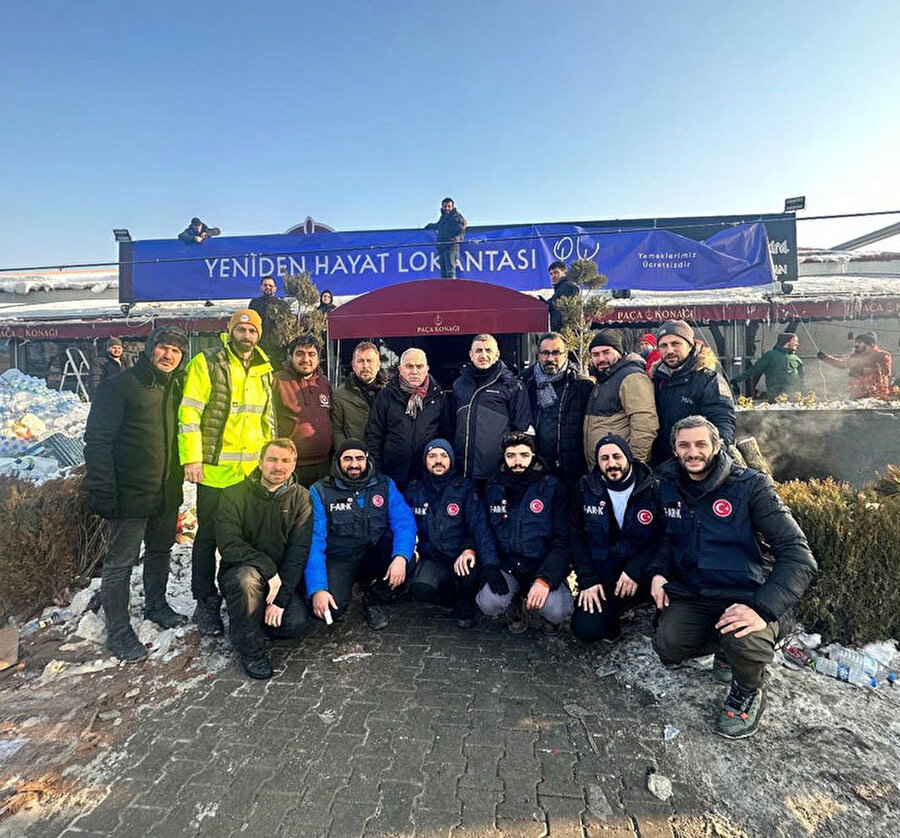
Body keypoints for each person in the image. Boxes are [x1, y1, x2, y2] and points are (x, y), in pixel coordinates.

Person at [649, 416, 816, 739]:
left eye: (701, 444)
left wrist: (762, 609)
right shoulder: (668, 484)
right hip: (700, 593)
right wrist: (657, 573)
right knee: (668, 643)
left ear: (716, 447)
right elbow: (668, 540)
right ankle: (727, 652)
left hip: (751, 594)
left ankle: (748, 688)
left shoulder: (751, 486)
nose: (692, 452)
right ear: (675, 449)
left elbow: (799, 556)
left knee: (744, 636)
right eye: (684, 445)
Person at [84, 327, 190, 661]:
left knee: (160, 551)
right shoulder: (119, 386)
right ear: (149, 349)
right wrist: (103, 489)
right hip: (129, 493)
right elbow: (97, 441)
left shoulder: (176, 387)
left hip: (165, 490)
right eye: (163, 348)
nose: (169, 355)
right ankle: (118, 630)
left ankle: (156, 605)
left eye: (176, 351)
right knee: (120, 563)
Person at [179, 308, 275, 636]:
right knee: (208, 537)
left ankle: (237, 595)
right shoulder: (208, 362)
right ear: (230, 330)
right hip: (215, 470)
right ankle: (205, 601)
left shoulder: (264, 368)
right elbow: (189, 412)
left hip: (250, 473)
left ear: (258, 335)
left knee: (243, 538)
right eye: (241, 330)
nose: (246, 336)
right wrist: (192, 459)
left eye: (252, 332)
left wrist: (270, 463)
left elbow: (267, 418)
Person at [216, 438, 313, 680]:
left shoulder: (301, 498)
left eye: (285, 461)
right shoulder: (233, 495)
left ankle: (250, 617)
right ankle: (251, 650)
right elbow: (229, 545)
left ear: (293, 465)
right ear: (260, 463)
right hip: (243, 572)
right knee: (246, 581)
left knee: (295, 624)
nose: (278, 467)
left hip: (280, 580)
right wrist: (269, 570)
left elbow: (298, 553)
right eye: (272, 459)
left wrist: (280, 600)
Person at [306, 439, 416, 631]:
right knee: (332, 611)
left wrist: (400, 557)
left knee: (409, 560)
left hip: (373, 554)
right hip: (340, 557)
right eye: (347, 459)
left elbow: (404, 522)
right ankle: (342, 587)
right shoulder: (321, 490)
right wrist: (318, 588)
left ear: (367, 460)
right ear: (338, 461)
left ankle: (372, 598)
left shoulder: (384, 484)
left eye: (359, 458)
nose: (354, 464)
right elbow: (314, 541)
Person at [476, 433, 573, 633]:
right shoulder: (493, 486)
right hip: (508, 564)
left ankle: (548, 608)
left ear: (533, 456)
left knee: (557, 610)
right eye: (511, 456)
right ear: (504, 457)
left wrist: (546, 577)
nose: (517, 461)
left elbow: (562, 540)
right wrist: (490, 565)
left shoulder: (553, 487)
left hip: (541, 564)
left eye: (523, 455)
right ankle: (514, 603)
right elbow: (484, 532)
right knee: (489, 603)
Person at [570, 435, 660, 645]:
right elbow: (576, 537)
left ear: (628, 458)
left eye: (617, 456)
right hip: (605, 572)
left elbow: (663, 538)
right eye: (604, 458)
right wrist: (588, 579)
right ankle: (615, 612)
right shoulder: (585, 488)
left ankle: (658, 617)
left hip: (642, 571)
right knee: (586, 630)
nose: (611, 464)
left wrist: (636, 569)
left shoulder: (652, 488)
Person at [406, 439, 498, 628]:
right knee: (422, 589)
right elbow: (404, 525)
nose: (438, 461)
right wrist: (411, 549)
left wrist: (471, 550)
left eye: (443, 456)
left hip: (460, 554)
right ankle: (447, 594)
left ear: (451, 460)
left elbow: (479, 526)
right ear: (425, 461)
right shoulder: (414, 488)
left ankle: (466, 600)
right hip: (432, 556)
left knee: (469, 573)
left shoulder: (465, 487)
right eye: (432, 456)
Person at [650, 320, 735, 467]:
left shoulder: (708, 380)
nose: (669, 350)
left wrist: (714, 455)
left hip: (696, 463)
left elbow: (723, 421)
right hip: (662, 466)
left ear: (690, 345)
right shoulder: (655, 380)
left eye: (676, 343)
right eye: (663, 345)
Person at [365, 348, 449, 490]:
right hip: (393, 475)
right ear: (400, 369)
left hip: (428, 477)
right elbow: (374, 436)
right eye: (409, 366)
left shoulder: (439, 397)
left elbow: (447, 433)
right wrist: (377, 472)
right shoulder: (386, 396)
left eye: (419, 366)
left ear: (427, 369)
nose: (414, 371)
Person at [452, 334, 533, 481]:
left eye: (488, 350)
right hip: (463, 473)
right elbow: (451, 426)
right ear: (471, 355)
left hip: (497, 475)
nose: (483, 355)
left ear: (497, 355)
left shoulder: (513, 386)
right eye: (478, 351)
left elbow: (522, 431)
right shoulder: (459, 385)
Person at [518, 332, 592, 489]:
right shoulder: (524, 384)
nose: (550, 358)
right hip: (535, 468)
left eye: (556, 352)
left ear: (565, 354)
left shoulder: (582, 386)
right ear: (538, 355)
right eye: (545, 353)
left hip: (572, 471)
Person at [583, 329, 658, 466]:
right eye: (595, 354)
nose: (601, 359)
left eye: (606, 352)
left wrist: (635, 465)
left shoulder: (632, 378)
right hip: (605, 468)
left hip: (620, 468)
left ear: (619, 352)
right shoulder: (604, 378)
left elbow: (645, 425)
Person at [273, 334, 333, 488]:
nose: (306, 359)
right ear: (290, 356)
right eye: (300, 354)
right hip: (291, 465)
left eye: (311, 354)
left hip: (323, 465)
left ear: (319, 358)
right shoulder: (277, 381)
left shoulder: (324, 383)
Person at [332, 341, 386, 450]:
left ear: (378, 365)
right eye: (360, 361)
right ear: (353, 365)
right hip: (355, 460)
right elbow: (336, 430)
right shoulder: (339, 395)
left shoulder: (390, 394)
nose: (365, 366)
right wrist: (348, 454)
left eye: (369, 361)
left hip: (385, 458)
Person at [817, 331, 893, 400]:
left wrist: (863, 371)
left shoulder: (882, 355)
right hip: (858, 393)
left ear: (870, 344)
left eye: (859, 342)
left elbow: (885, 370)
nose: (856, 345)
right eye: (856, 342)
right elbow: (844, 364)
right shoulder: (856, 356)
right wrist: (826, 358)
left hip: (876, 394)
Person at [732, 333, 804, 400]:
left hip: (794, 396)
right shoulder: (770, 355)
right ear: (786, 341)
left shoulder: (796, 359)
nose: (797, 344)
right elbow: (753, 370)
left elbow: (802, 378)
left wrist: (802, 392)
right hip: (775, 395)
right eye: (794, 341)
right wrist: (736, 380)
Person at [249, 277, 293, 364]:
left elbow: (288, 327)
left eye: (270, 285)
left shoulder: (283, 305)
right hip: (259, 345)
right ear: (261, 287)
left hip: (278, 348)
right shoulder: (254, 303)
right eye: (265, 285)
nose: (268, 287)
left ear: (275, 288)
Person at [425, 197, 467, 279]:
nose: (447, 208)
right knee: (443, 273)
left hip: (451, 248)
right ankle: (445, 290)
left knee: (450, 272)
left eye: (449, 206)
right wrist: (429, 226)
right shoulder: (443, 218)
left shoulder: (456, 218)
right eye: (445, 206)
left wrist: (453, 240)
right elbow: (438, 226)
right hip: (442, 248)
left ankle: (451, 290)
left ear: (452, 207)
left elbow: (461, 233)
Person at [546, 261, 580, 333]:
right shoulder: (560, 288)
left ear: (565, 272)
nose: (553, 276)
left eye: (556, 272)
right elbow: (550, 305)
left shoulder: (568, 287)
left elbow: (563, 311)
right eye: (551, 274)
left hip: (567, 333)